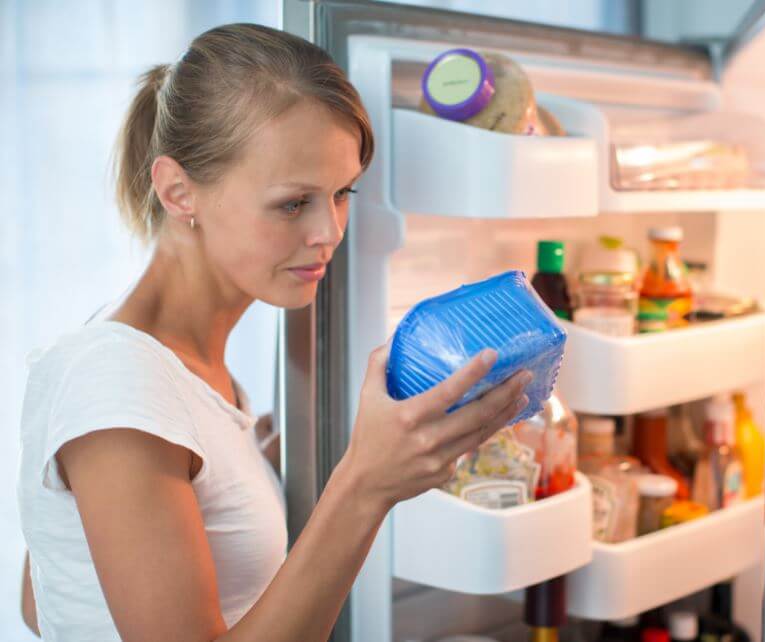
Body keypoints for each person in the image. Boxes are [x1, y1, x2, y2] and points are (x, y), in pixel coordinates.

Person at [16, 23, 531, 641]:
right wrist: (365, 485)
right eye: (293, 203)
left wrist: (255, 465)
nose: (330, 232)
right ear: (179, 191)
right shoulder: (116, 383)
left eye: (342, 194)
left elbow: (46, 591)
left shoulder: (180, 371)